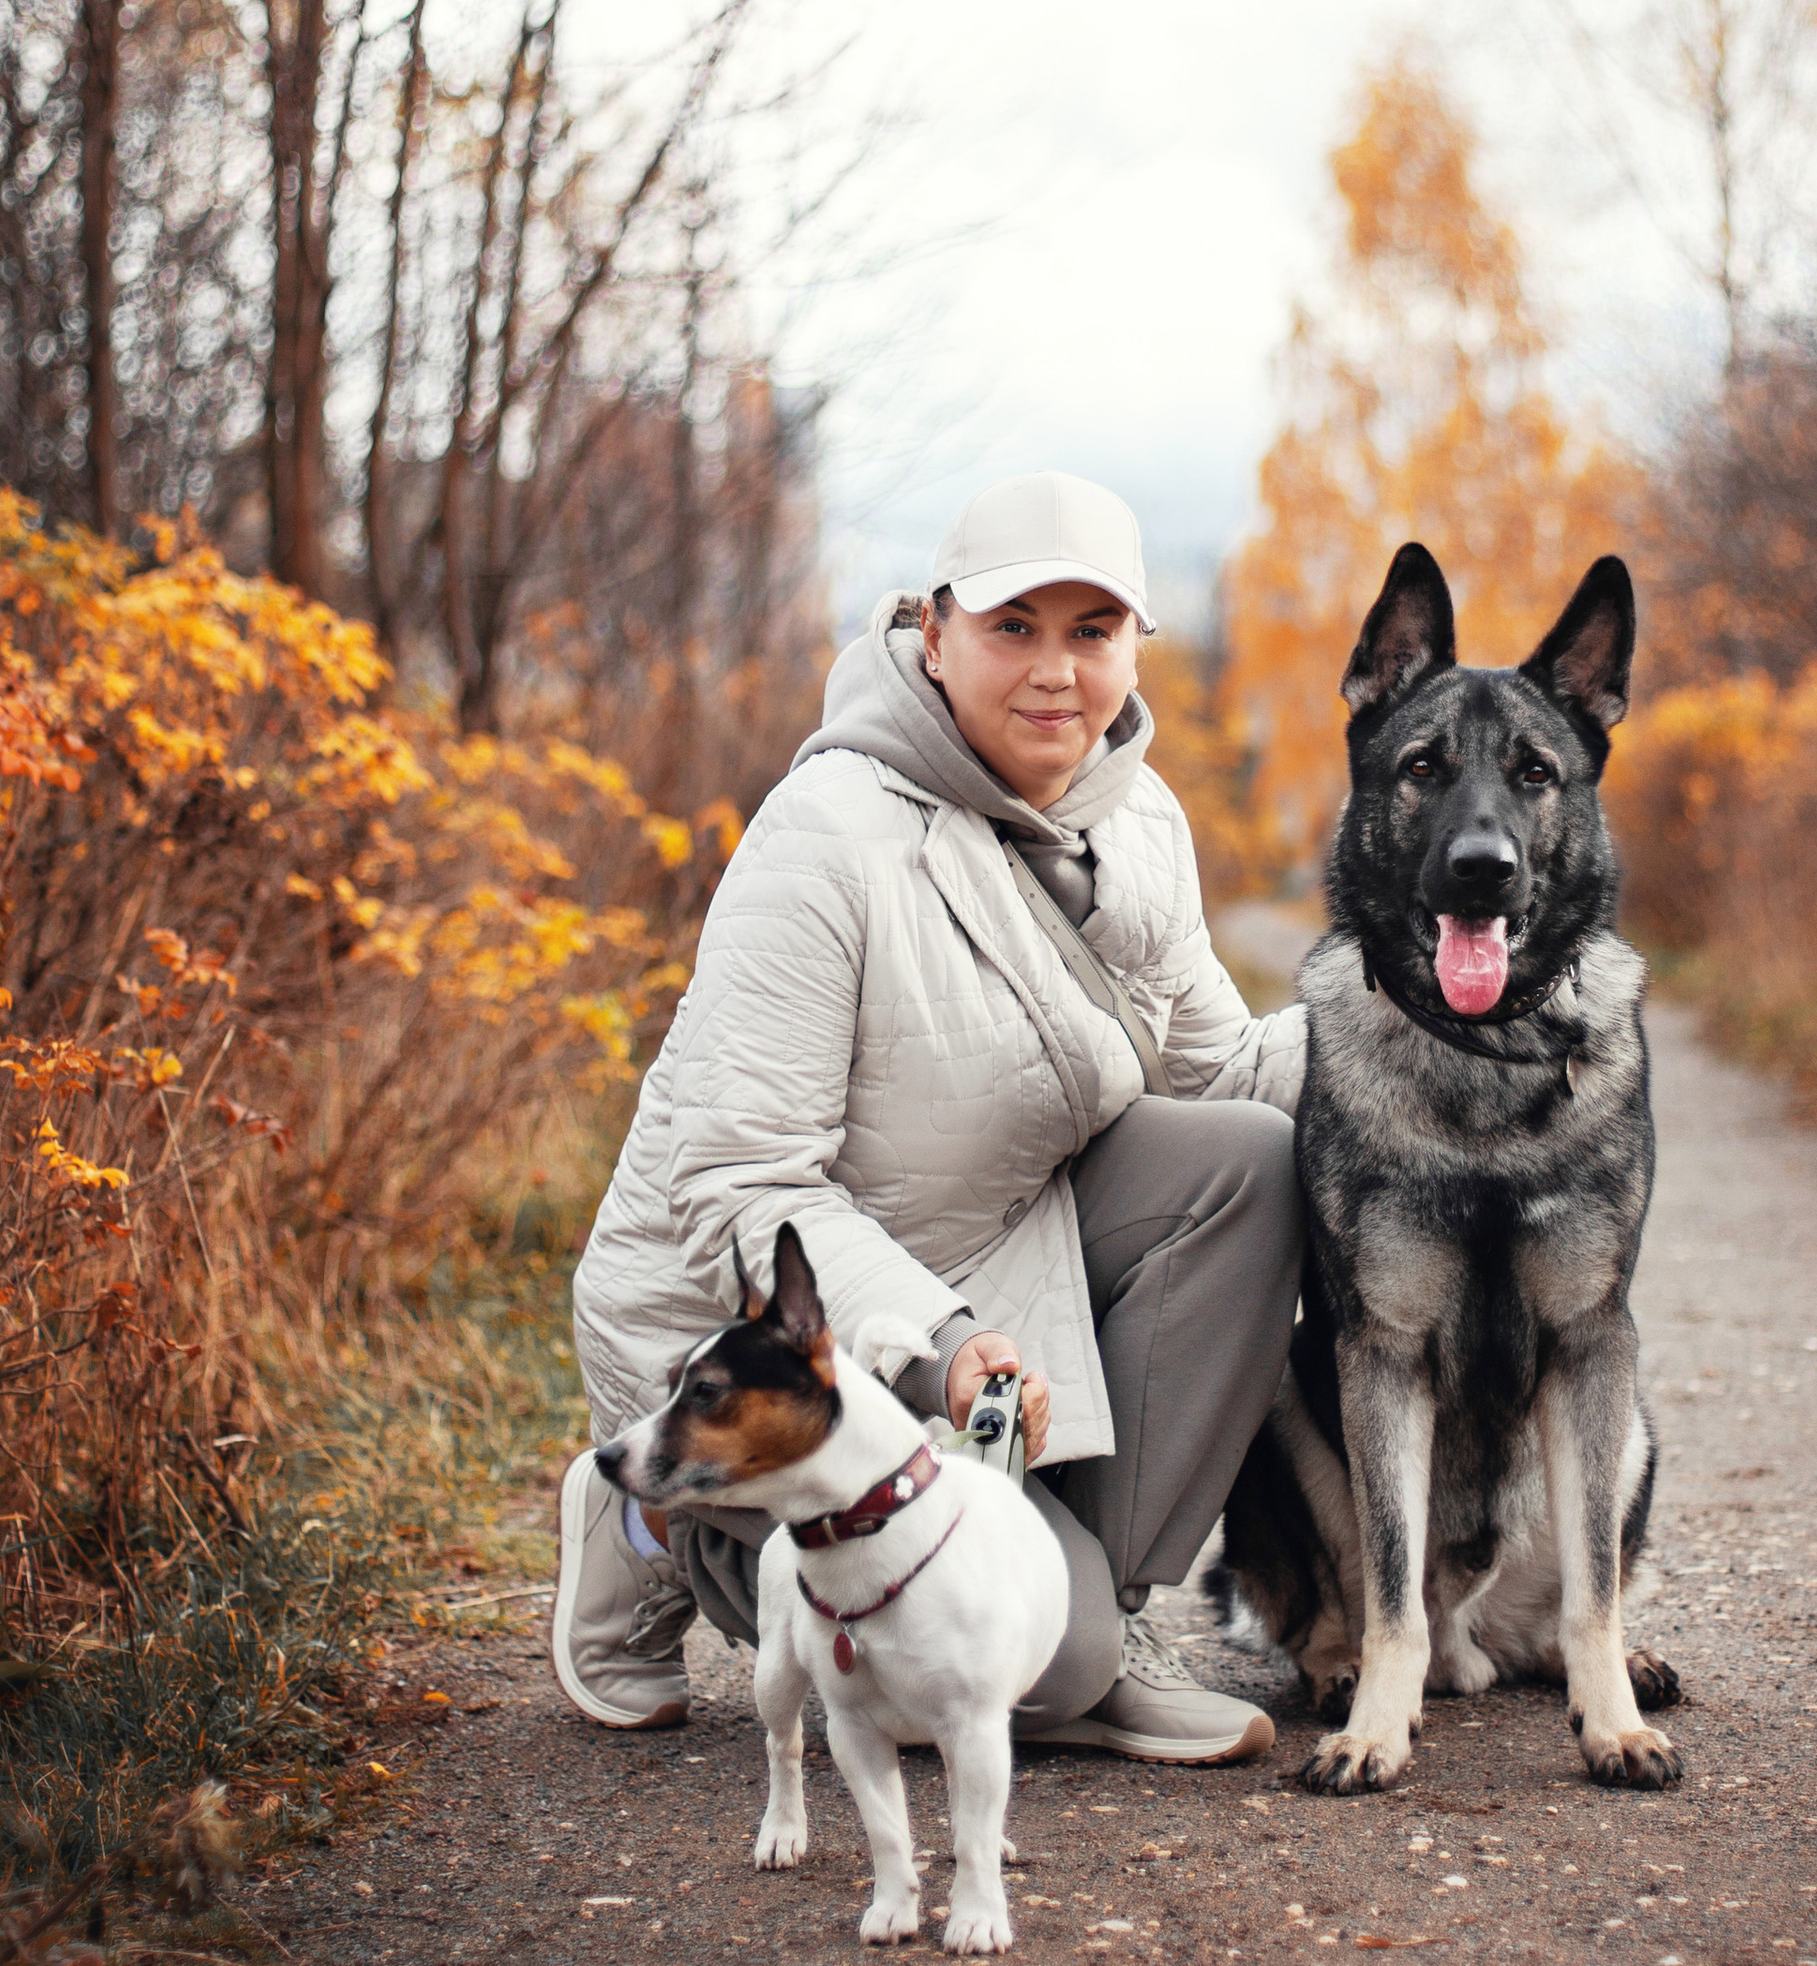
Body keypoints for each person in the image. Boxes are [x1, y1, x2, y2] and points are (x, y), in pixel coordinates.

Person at [553, 471, 1306, 1763]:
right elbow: (742, 1182)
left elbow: (1219, 1073)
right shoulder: (827, 834)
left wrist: (1419, 1019)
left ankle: (1096, 1622)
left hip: (991, 1248)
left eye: (1092, 632)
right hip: (759, 1331)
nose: (1055, 672)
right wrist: (940, 1340)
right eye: (1014, 629)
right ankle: (655, 1523)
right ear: (936, 628)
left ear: (1136, 646)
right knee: (1020, 1670)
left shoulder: (1140, 826)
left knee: (1253, 1164)